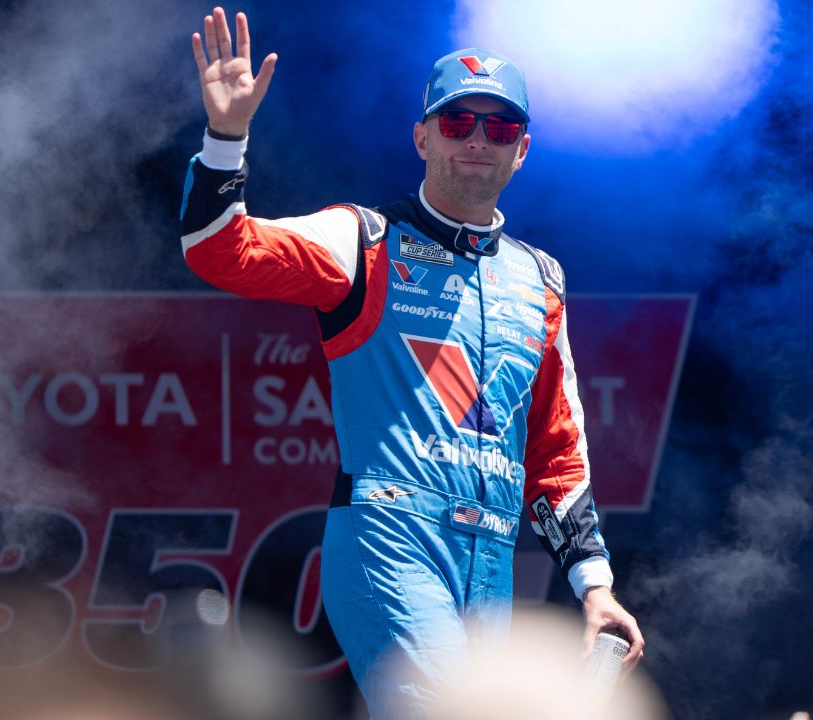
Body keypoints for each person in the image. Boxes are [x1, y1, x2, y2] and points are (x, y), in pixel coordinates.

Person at [180, 7, 644, 716]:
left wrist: (597, 588)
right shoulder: (362, 239)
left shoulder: (541, 279)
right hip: (388, 537)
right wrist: (226, 136)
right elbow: (221, 250)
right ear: (422, 136)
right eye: (458, 123)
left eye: (501, 127)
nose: (479, 141)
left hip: (490, 557)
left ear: (523, 150)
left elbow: (555, 451)